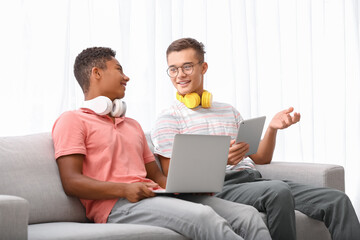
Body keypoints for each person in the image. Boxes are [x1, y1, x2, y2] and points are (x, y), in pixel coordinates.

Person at [52, 47, 272, 240]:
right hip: (117, 205)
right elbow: (71, 182)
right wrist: (125, 189)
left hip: (155, 196)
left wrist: (185, 188)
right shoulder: (72, 120)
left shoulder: (131, 125)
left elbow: (156, 176)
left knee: (248, 215)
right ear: (96, 73)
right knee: (203, 217)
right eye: (119, 69)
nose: (126, 77)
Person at [151, 38, 360, 240]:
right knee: (277, 191)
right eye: (173, 69)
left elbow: (260, 157)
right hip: (218, 188)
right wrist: (221, 160)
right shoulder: (169, 117)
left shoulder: (227, 110)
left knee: (337, 200)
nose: (180, 75)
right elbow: (174, 176)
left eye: (187, 67)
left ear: (203, 67)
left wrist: (272, 128)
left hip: (253, 181)